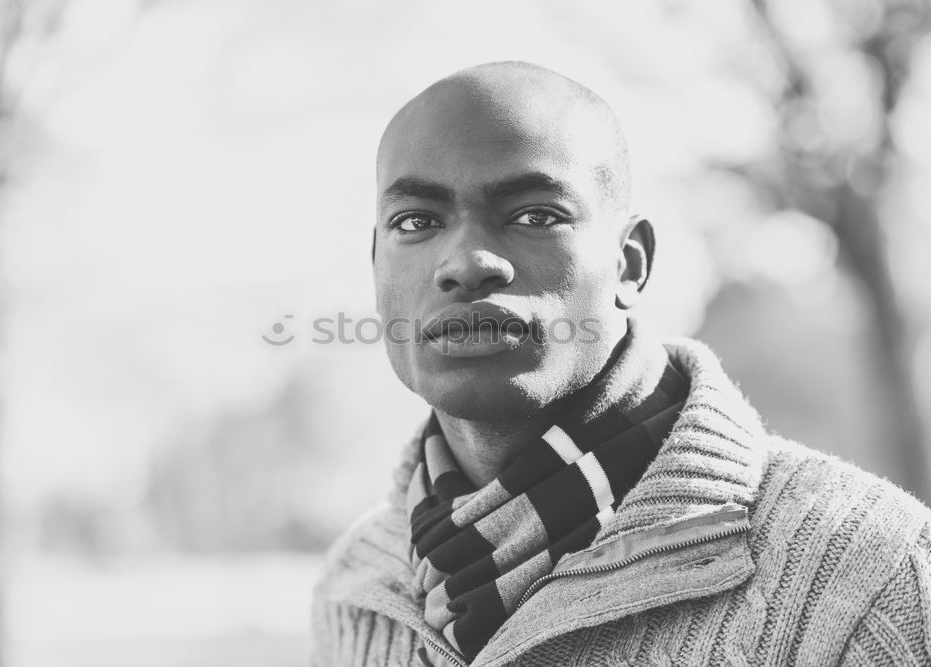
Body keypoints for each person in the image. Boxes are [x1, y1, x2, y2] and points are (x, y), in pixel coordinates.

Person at [311, 61, 931, 666]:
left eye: (535, 216)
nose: (465, 262)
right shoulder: (356, 589)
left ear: (630, 263)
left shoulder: (871, 579)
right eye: (415, 221)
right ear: (375, 266)